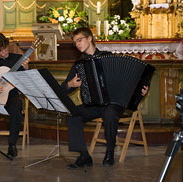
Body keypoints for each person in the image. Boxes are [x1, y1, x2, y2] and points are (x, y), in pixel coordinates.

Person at [61, 27, 149, 169]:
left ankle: (109, 152)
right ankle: (84, 156)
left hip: (114, 104)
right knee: (72, 115)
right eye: (75, 42)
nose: (77, 44)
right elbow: (63, 89)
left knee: (109, 113)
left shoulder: (108, 57)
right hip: (94, 105)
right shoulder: (79, 65)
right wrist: (70, 84)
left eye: (79, 40)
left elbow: (132, 77)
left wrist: (141, 90)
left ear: (89, 39)